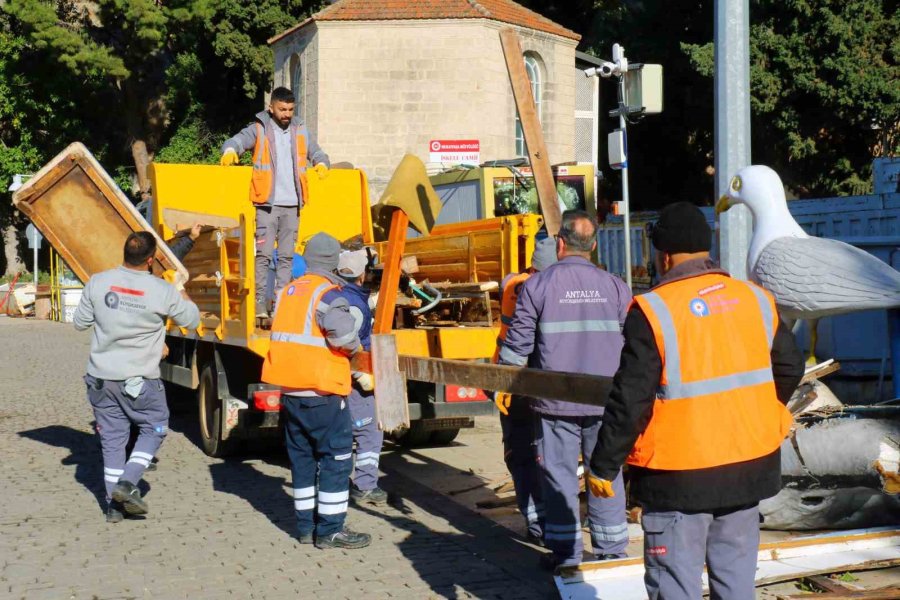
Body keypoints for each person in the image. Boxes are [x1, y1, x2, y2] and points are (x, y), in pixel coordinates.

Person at [587, 202, 804, 600]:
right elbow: (790, 367)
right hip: (747, 470)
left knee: (676, 588)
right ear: (707, 248)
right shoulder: (754, 299)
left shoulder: (653, 310)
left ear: (664, 255)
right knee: (737, 588)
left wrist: (603, 465)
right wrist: (760, 415)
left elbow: (630, 397)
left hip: (678, 478)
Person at [499, 210, 632, 570]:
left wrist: (496, 381)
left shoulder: (538, 286)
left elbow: (515, 351)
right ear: (593, 245)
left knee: (558, 476)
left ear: (560, 243)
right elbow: (633, 344)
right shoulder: (616, 286)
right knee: (604, 472)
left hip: (556, 403)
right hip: (605, 401)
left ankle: (567, 555)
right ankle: (612, 551)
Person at [73, 232, 200, 523]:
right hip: (140, 381)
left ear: (124, 253)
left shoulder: (98, 282)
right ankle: (128, 483)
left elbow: (80, 323)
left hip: (101, 379)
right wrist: (180, 288)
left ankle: (112, 508)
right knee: (154, 427)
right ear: (151, 259)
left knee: (113, 442)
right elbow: (192, 320)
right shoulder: (162, 290)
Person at [261, 232, 371, 550]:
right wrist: (355, 344)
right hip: (322, 391)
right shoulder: (327, 294)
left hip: (291, 391)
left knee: (303, 459)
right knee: (336, 459)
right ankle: (331, 530)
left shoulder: (288, 292)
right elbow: (342, 337)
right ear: (333, 261)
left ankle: (305, 527)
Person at [220, 86, 330, 318]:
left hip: (293, 204)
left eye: (290, 109)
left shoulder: (300, 130)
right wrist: (230, 150)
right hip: (267, 204)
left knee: (287, 256)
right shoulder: (259, 128)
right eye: (282, 109)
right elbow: (238, 140)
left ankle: (281, 302)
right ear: (271, 108)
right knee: (264, 254)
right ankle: (260, 302)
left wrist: (321, 163)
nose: (287, 114)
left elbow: (316, 152)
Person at [492, 236, 557, 544]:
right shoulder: (550, 288)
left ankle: (535, 518)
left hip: (510, 381)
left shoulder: (512, 284)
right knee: (544, 453)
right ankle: (543, 520)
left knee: (520, 453)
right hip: (537, 383)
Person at [336, 249, 387, 506]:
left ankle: (338, 480)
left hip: (338, 376)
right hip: (355, 376)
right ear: (361, 274)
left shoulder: (339, 296)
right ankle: (365, 485)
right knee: (368, 430)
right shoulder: (354, 305)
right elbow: (347, 343)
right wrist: (361, 375)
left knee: (343, 430)